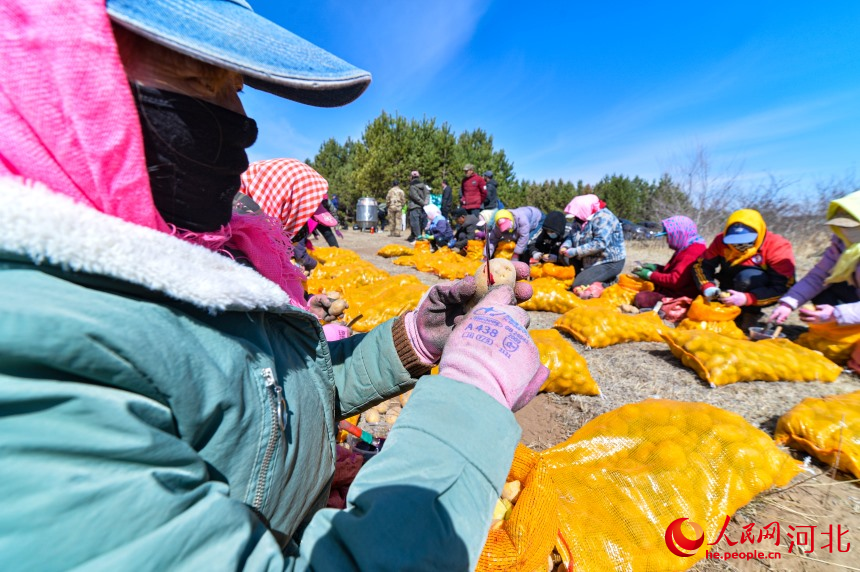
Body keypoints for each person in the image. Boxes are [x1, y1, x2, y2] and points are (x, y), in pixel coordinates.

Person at [0, 2, 549, 570]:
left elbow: (259, 390)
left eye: (237, 87)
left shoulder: (180, 254)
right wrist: (470, 397)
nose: (241, 121)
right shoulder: (28, 350)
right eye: (198, 80)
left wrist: (415, 338)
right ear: (61, 69)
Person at [693, 209, 795, 329]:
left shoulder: (777, 246)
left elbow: (783, 287)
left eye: (746, 240)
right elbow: (702, 265)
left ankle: (750, 313)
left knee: (747, 277)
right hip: (728, 283)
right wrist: (708, 286)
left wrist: (748, 298)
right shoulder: (720, 241)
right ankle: (730, 310)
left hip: (758, 290)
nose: (739, 245)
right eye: (734, 241)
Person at [770, 190, 860, 326]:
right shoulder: (842, 245)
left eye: (852, 226)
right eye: (841, 226)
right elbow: (819, 277)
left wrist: (836, 313)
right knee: (825, 291)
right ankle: (839, 332)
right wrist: (788, 303)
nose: (844, 230)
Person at [632, 215, 707, 299]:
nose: (667, 240)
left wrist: (650, 275)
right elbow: (677, 271)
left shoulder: (692, 252)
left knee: (641, 298)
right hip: (677, 289)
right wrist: (656, 268)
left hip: (683, 294)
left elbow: (675, 281)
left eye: (668, 236)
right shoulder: (687, 246)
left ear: (679, 234)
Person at [560, 194, 626, 288]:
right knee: (563, 256)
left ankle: (609, 281)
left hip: (607, 261)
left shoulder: (604, 217)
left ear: (583, 210)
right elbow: (571, 235)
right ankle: (586, 276)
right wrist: (565, 245)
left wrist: (575, 251)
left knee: (578, 284)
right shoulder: (579, 219)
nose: (575, 218)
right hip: (588, 259)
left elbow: (600, 243)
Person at [407, 170, 429, 242]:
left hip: (414, 206)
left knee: (414, 222)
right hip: (422, 207)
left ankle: (418, 236)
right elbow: (427, 194)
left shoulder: (412, 186)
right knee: (422, 222)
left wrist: (422, 203)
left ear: (412, 177)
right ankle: (414, 236)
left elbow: (415, 197)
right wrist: (425, 203)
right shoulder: (423, 185)